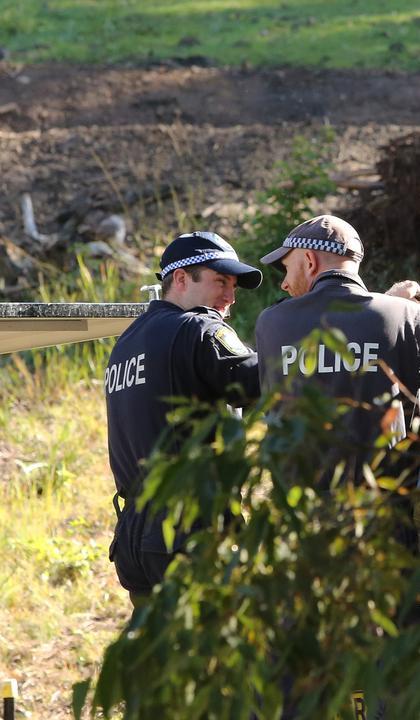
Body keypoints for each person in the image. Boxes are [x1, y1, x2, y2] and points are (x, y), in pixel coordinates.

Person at [253, 214, 420, 491]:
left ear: (310, 261)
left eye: (287, 270)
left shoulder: (271, 322)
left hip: (301, 514)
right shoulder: (406, 316)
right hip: (382, 515)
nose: (284, 284)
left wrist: (391, 308)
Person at [105, 231, 263, 606]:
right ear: (180, 279)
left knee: (160, 659)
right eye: (220, 282)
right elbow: (256, 380)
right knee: (216, 659)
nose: (230, 297)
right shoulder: (198, 328)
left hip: (134, 535)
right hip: (188, 528)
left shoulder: (123, 346)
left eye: (234, 286)